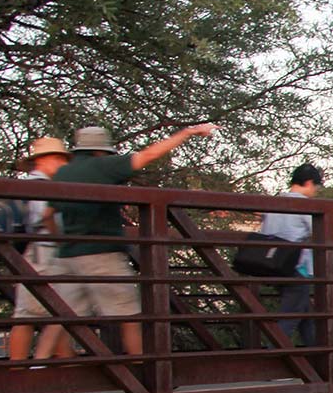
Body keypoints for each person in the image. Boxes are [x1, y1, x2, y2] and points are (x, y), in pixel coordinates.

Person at [40, 123, 217, 360]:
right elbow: (150, 154)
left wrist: (59, 239)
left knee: (61, 317)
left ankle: (36, 369)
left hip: (69, 256)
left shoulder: (62, 173)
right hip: (103, 253)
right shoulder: (106, 166)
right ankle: (144, 373)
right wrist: (188, 133)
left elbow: (46, 216)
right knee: (129, 317)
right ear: (101, 150)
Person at [4, 137, 72, 360]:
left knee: (46, 314)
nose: (64, 166)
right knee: (51, 313)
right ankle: (36, 371)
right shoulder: (43, 188)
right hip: (43, 255)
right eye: (61, 160)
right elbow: (47, 218)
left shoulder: (25, 185)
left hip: (29, 255)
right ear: (46, 160)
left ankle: (56, 369)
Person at [258, 163, 323, 347]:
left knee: (305, 315)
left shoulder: (273, 204)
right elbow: (320, 231)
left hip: (275, 265)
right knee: (291, 316)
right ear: (309, 183)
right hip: (297, 268)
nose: (316, 192)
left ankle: (317, 359)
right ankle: (273, 361)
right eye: (316, 187)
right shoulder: (303, 204)